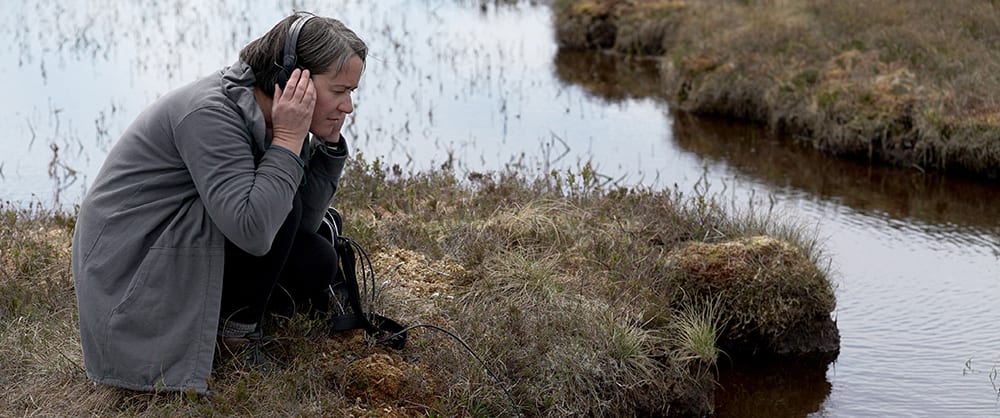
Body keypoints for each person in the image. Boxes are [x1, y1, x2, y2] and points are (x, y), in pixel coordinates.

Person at [71, 12, 366, 394]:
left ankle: (229, 320)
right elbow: (256, 232)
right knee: (274, 201)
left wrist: (323, 149)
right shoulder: (209, 113)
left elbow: (302, 226)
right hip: (129, 271)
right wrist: (289, 142)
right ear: (293, 79)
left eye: (352, 93)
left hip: (174, 249)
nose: (348, 107)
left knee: (316, 258)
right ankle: (235, 337)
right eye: (340, 91)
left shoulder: (275, 117)